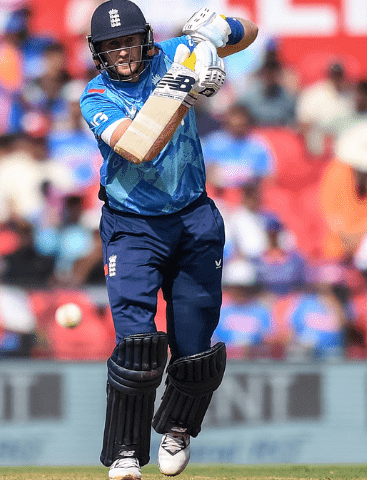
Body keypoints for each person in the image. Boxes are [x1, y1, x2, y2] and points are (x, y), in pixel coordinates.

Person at [79, 2, 257, 479]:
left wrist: (213, 35)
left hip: (194, 218)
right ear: (98, 52)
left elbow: (249, 33)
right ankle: (125, 452)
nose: (123, 52)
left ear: (147, 39)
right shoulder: (96, 96)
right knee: (137, 343)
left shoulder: (172, 54)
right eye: (112, 45)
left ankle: (177, 429)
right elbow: (138, 148)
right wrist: (182, 90)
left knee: (196, 348)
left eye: (129, 40)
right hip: (133, 227)